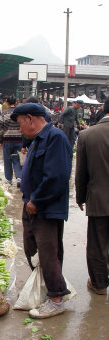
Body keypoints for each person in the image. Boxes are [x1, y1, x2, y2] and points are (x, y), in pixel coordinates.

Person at [11, 103, 72, 319]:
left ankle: (56, 299)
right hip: (32, 206)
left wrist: (37, 200)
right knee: (32, 250)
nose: (20, 130)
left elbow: (57, 176)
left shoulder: (55, 138)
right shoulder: (38, 140)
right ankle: (46, 288)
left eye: (20, 124)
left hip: (45, 208)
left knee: (48, 253)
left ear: (30, 119)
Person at [75, 96, 109, 295]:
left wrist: (80, 197)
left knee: (97, 244)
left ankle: (99, 284)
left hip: (98, 199)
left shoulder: (88, 135)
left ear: (103, 109)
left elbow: (81, 172)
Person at [0, 95, 22, 187]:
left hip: (7, 140)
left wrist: (1, 140)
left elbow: (1, 128)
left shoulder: (4, 114)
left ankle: (9, 179)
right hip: (19, 140)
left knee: (7, 159)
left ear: (7, 103)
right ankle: (19, 177)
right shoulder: (20, 113)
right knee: (17, 159)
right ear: (16, 102)